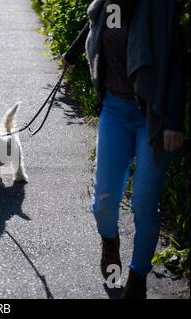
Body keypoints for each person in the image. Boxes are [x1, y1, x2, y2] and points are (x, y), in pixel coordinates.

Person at [62, 0, 186, 298]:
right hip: (115, 110)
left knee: (144, 202)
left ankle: (137, 278)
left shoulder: (161, 7)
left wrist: (172, 120)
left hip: (152, 115)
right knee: (104, 201)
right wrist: (74, 51)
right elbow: (97, 25)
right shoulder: (110, 4)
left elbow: (177, 61)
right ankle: (110, 241)